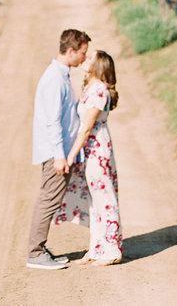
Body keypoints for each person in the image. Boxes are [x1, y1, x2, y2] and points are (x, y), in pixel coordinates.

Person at [27, 28, 90, 270]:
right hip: (57, 152)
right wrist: (60, 155)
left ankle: (39, 249)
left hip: (59, 150)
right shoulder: (54, 78)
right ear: (71, 50)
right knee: (48, 201)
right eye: (82, 53)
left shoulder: (61, 75)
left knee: (50, 200)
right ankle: (35, 252)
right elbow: (52, 121)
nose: (84, 57)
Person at [53, 49, 123, 266]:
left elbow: (86, 127)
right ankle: (96, 248)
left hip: (97, 149)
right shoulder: (90, 88)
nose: (85, 59)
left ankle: (112, 249)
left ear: (99, 66)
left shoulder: (99, 90)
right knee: (94, 200)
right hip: (89, 150)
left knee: (105, 198)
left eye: (90, 58)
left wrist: (71, 155)